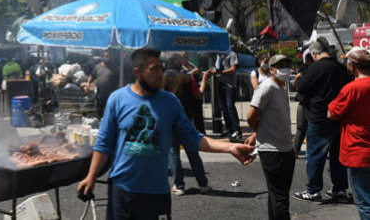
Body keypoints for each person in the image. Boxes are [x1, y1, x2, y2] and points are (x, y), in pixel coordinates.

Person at [77, 49, 255, 220]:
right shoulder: (117, 99)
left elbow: (193, 138)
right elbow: (103, 143)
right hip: (122, 189)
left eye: (160, 68)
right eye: (153, 69)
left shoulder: (170, 102)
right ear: (137, 72)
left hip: (156, 192)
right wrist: (91, 177)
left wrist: (230, 147)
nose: (160, 74)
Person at [293, 37, 351, 203]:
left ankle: (312, 190)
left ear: (314, 53)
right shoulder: (340, 68)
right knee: (337, 156)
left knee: (315, 155)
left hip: (319, 116)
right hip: (338, 116)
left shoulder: (315, 68)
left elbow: (302, 87)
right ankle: (340, 189)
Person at [245, 54, 296, 220]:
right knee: (280, 197)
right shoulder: (266, 87)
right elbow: (251, 116)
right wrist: (259, 132)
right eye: (280, 66)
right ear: (272, 69)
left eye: (287, 65)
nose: (285, 69)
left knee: (278, 195)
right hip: (272, 150)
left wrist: (257, 133)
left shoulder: (283, 86)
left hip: (286, 148)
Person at [328, 48, 370, 219]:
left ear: (352, 66)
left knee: (365, 203)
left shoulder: (351, 89)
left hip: (358, 151)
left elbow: (332, 113)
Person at [162, 62, 210, 196]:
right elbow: (198, 94)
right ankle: (203, 184)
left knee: (173, 152)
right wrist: (205, 79)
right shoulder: (189, 78)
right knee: (193, 151)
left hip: (168, 119)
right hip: (186, 118)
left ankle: (179, 185)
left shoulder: (161, 78)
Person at [211, 49, 241, 140]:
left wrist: (220, 72)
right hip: (220, 83)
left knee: (230, 106)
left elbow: (233, 69)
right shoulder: (219, 55)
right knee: (223, 107)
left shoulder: (232, 54)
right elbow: (217, 67)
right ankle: (229, 128)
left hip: (229, 85)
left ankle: (237, 130)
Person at [293, 51, 314, 155]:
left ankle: (295, 150)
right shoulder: (313, 69)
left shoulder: (305, 69)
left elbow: (296, 79)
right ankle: (297, 150)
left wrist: (297, 86)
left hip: (304, 102)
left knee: (301, 128)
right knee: (305, 128)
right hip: (308, 102)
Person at [87, 50, 118, 118]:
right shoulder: (97, 67)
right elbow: (92, 75)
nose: (107, 58)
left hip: (110, 95)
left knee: (109, 113)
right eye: (106, 56)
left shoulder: (114, 68)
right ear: (102, 57)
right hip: (100, 94)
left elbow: (121, 79)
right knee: (99, 111)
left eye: (109, 56)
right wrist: (88, 83)